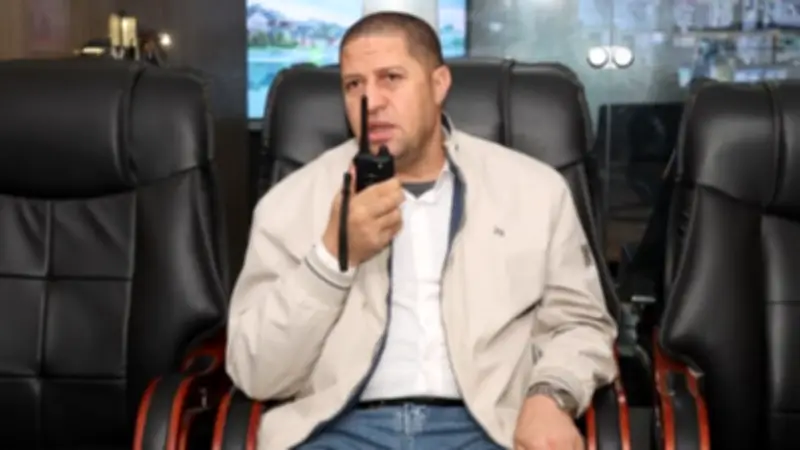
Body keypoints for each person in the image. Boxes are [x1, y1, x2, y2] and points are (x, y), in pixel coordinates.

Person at [226, 11, 617, 450]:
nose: (371, 101)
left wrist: (550, 396)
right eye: (354, 85)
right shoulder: (289, 204)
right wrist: (332, 258)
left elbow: (580, 324)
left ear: (438, 84)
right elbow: (256, 372)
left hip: (490, 429)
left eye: (391, 78)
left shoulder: (533, 190)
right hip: (336, 431)